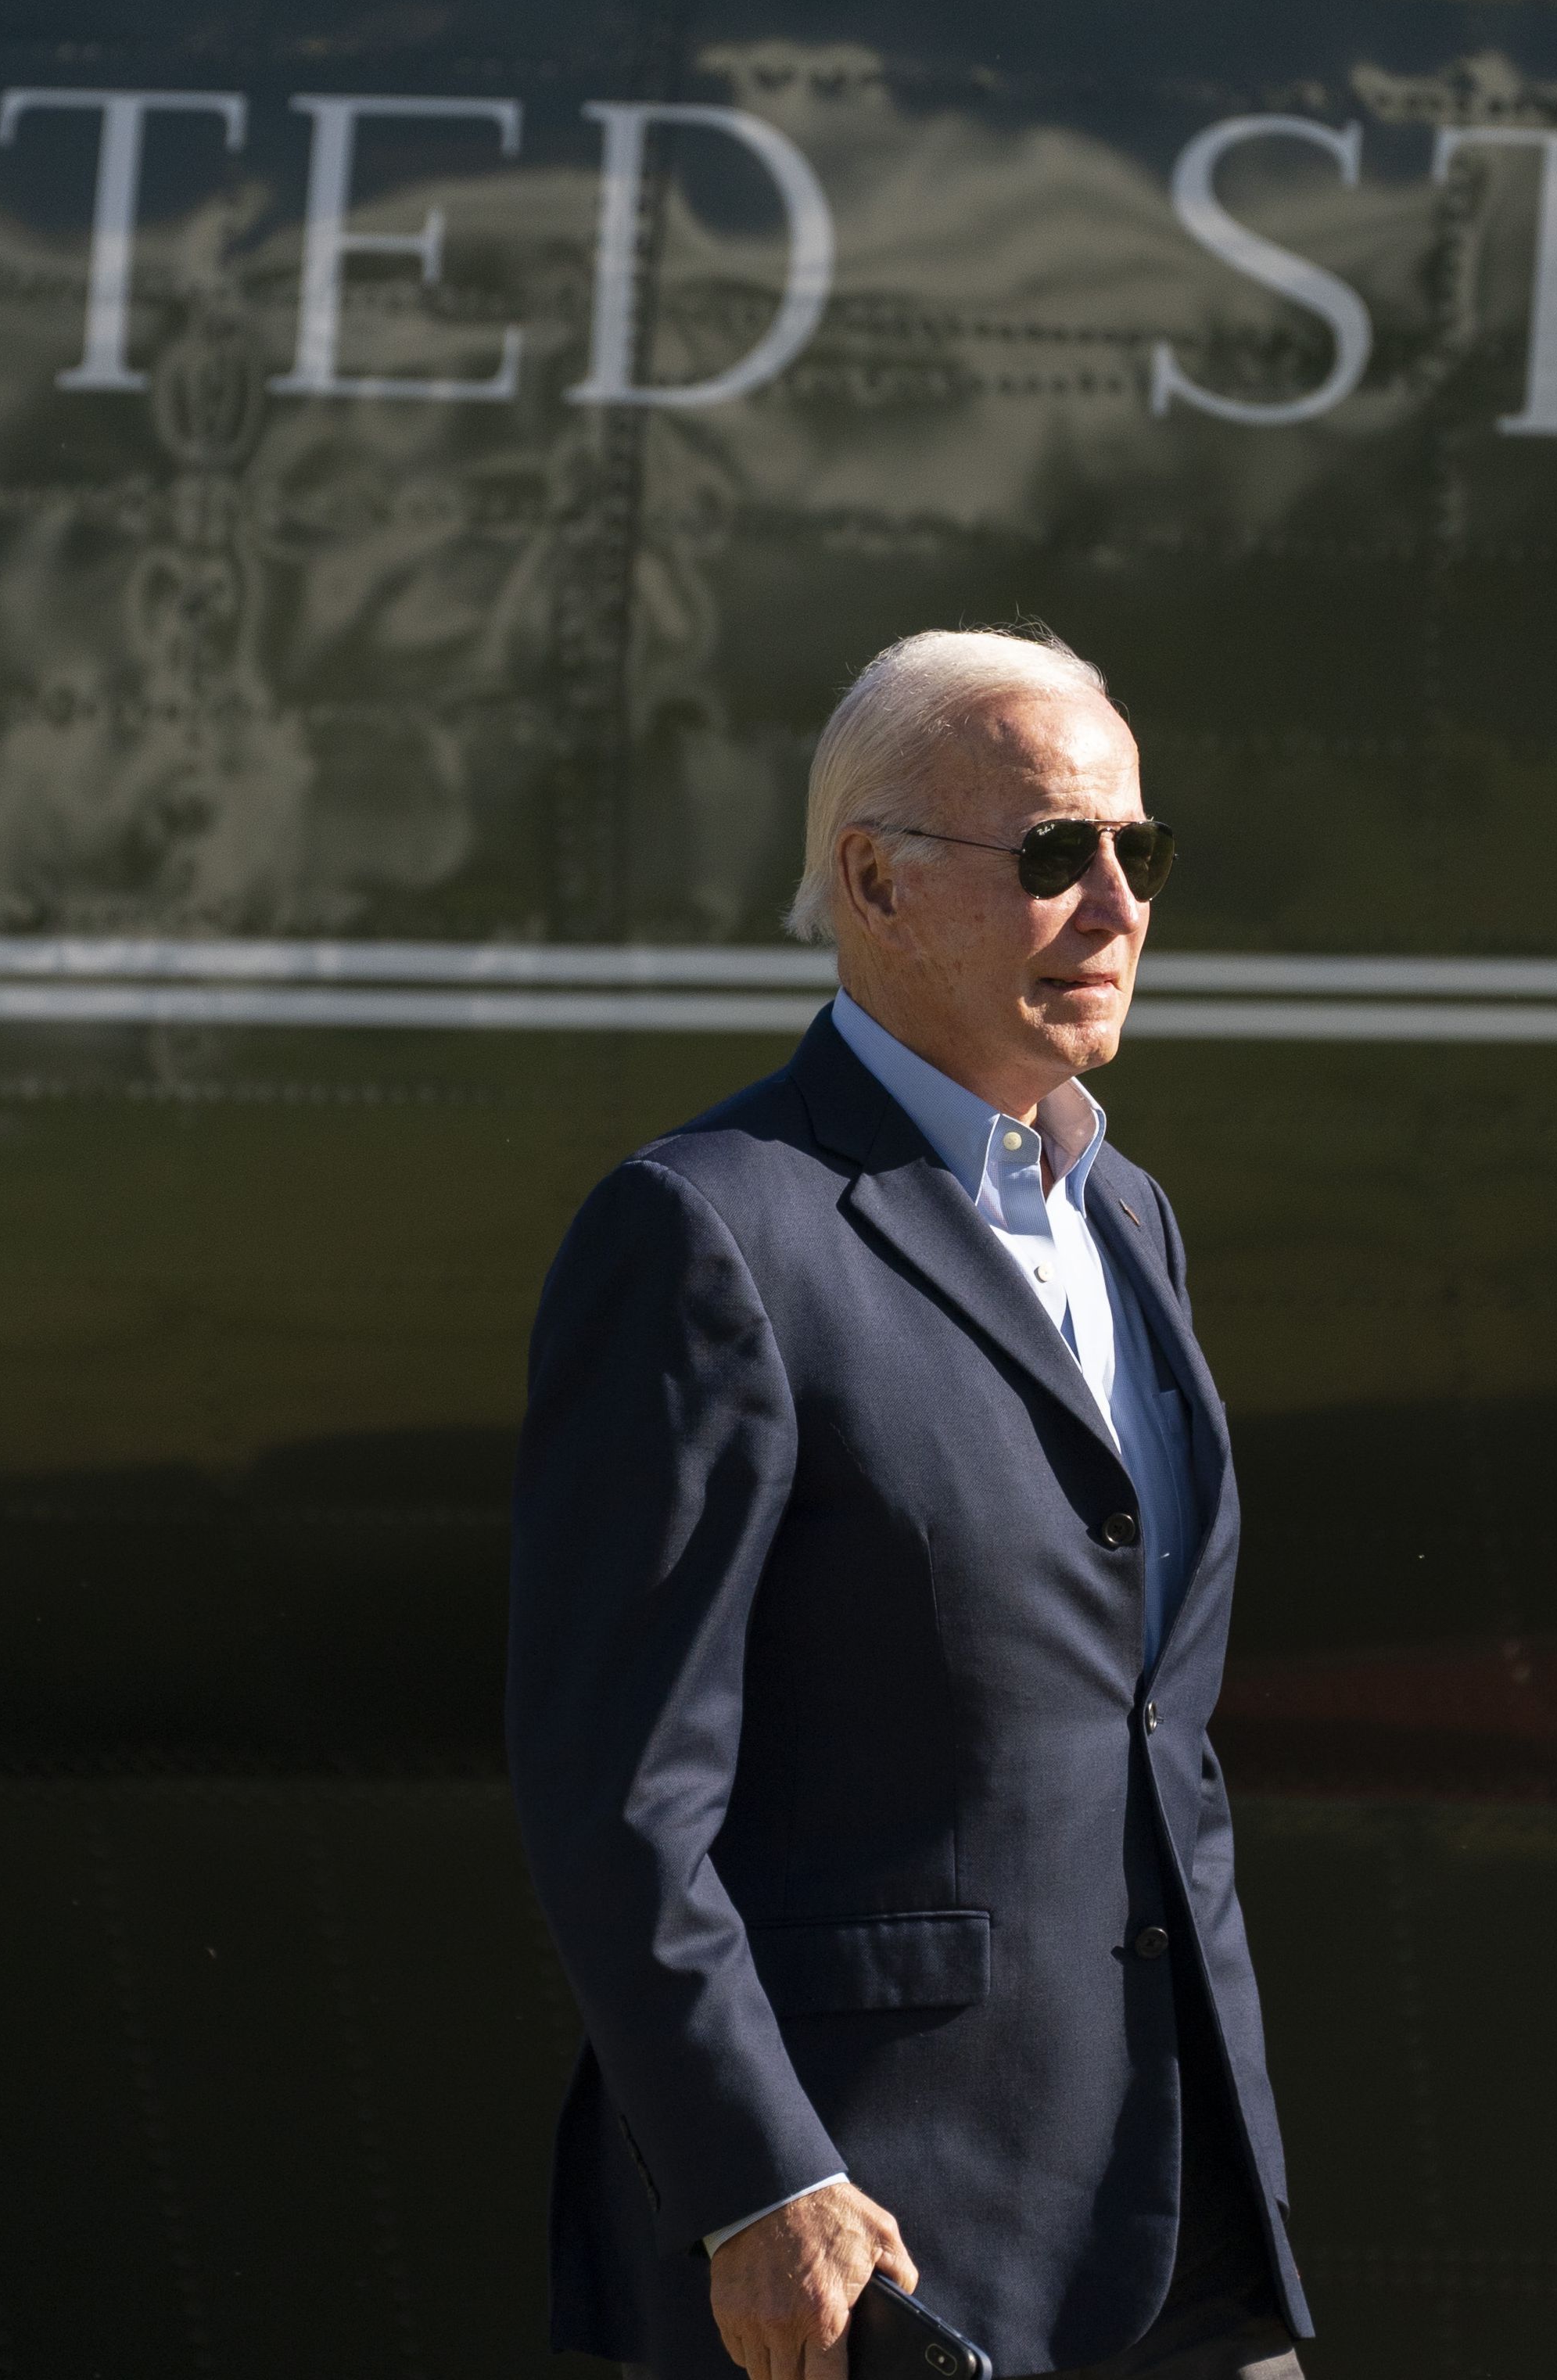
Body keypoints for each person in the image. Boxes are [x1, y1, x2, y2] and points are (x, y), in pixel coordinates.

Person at [507, 626, 1308, 2380]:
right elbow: (618, 1790)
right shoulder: (713, 1231)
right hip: (876, 2255)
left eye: (1137, 852)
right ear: (871, 878)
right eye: (1050, 855)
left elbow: (1148, 1727)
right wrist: (757, 2174)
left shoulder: (1132, 1220)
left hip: (1181, 2232)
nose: (1112, 904)